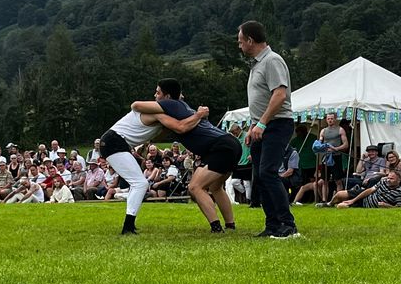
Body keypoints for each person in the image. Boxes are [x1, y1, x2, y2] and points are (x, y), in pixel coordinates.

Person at [132, 80, 242, 233]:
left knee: (195, 187)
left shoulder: (172, 104)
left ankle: (216, 228)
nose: (154, 96)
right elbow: (164, 132)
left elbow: (136, 106)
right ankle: (230, 225)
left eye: (157, 93)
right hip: (230, 144)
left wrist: (156, 114)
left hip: (220, 147)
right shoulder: (180, 107)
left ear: (168, 96)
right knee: (215, 187)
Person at [100, 97, 208, 235]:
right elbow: (181, 127)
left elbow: (158, 136)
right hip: (114, 142)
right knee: (140, 184)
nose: (155, 95)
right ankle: (128, 227)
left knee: (138, 184)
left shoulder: (163, 112)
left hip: (116, 143)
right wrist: (198, 115)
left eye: (158, 92)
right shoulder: (156, 110)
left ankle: (129, 225)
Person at [237, 20, 299, 238]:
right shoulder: (257, 64)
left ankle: (288, 225)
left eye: (241, 41)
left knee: (268, 172)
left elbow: (279, 95)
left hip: (277, 124)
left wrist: (262, 123)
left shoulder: (272, 61)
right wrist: (253, 125)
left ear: (251, 40)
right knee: (260, 176)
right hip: (261, 126)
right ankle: (272, 224)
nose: (239, 45)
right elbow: (261, 100)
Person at [336, 169, 401, 209]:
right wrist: (353, 200)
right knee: (340, 195)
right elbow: (370, 190)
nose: (388, 180)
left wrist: (386, 206)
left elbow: (399, 209)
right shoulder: (384, 181)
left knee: (340, 206)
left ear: (398, 180)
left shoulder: (400, 192)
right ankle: (329, 204)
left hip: (365, 206)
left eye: (391, 179)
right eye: (388, 178)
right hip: (364, 198)